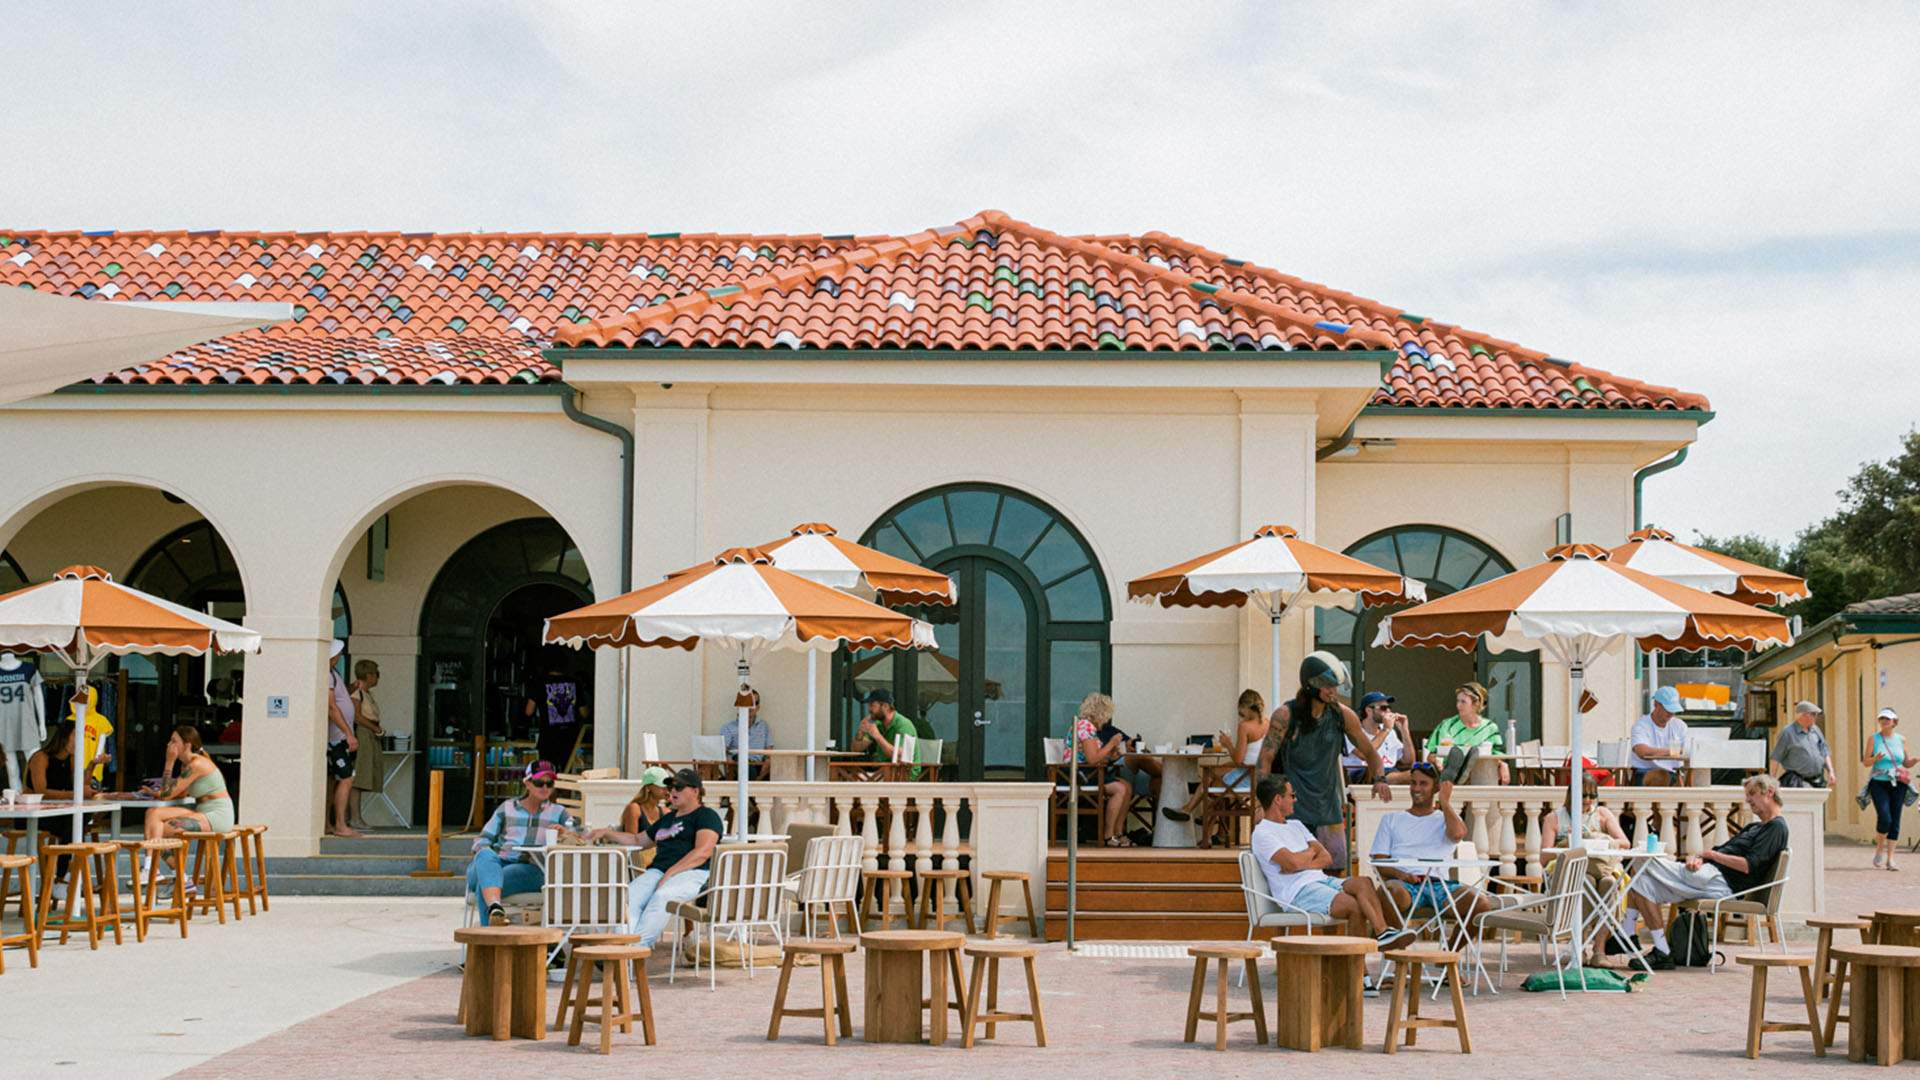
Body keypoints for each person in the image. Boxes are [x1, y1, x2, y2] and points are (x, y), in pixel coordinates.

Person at [1621, 773, 1789, 969]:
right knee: (1641, 883)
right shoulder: (1755, 827)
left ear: (1770, 792)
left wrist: (1712, 856)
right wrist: (1700, 859)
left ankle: (1626, 934)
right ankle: (1661, 950)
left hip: (1723, 883)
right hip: (1709, 875)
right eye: (1747, 795)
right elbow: (1720, 851)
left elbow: (1748, 865)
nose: (1748, 800)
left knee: (1641, 860)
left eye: (1752, 793)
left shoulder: (1776, 827)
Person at [1259, 652, 1391, 872]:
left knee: (1336, 867)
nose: (1334, 692)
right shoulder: (1286, 715)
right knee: (1296, 869)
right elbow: (1265, 759)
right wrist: (1262, 804)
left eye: (1335, 686)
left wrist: (1380, 778)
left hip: (1328, 807)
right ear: (1311, 685)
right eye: (1328, 686)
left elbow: (1370, 753)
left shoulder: (1342, 715)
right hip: (1293, 808)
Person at [1249, 774, 1413, 949]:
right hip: (1297, 891)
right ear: (1278, 799)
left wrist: (1303, 859)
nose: (1295, 800)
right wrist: (1310, 852)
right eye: (1292, 795)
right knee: (1354, 906)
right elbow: (1293, 863)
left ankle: (1382, 932)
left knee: (1363, 882)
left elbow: (1326, 857)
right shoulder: (1263, 833)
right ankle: (1356, 964)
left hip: (1320, 880)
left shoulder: (1296, 825)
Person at [587, 768, 724, 947]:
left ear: (695, 791)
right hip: (658, 871)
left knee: (662, 896)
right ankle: (622, 947)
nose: (672, 791)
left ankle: (635, 950)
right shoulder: (668, 818)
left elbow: (702, 852)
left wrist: (670, 873)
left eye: (679, 787)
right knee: (626, 899)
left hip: (693, 873)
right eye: (671, 787)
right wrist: (607, 833)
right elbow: (638, 840)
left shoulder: (706, 816)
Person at [1369, 763, 1496, 925]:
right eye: (1413, 783)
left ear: (1436, 788)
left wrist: (1445, 802)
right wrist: (1403, 875)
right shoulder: (1391, 819)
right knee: (1389, 892)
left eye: (1423, 783)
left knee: (1481, 904)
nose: (1416, 788)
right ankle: (1399, 940)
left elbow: (1457, 834)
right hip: (1405, 885)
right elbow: (1379, 862)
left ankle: (1452, 943)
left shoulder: (1446, 818)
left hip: (1440, 885)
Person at [467, 759, 580, 926]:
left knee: (486, 883)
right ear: (527, 783)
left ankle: (491, 922)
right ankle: (494, 907)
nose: (545, 788)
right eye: (539, 782)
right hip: (498, 862)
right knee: (485, 855)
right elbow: (482, 839)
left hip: (531, 867)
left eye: (549, 783)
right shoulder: (507, 807)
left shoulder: (559, 812)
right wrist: (489, 863)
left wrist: (565, 833)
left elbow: (579, 841)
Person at [1163, 689, 1270, 833]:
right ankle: (1202, 817)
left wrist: (1227, 744)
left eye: (1241, 712)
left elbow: (1238, 759)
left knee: (1209, 779)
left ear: (1246, 707)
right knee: (1216, 773)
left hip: (1246, 778)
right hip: (1260, 777)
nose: (1241, 716)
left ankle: (1191, 810)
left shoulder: (1245, 727)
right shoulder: (1267, 723)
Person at [141, 725, 234, 884]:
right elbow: (179, 793)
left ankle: (157, 871)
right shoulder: (186, 765)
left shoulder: (196, 765)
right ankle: (168, 874)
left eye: (174, 741)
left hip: (217, 815)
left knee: (156, 830)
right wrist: (156, 793)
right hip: (202, 811)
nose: (169, 745)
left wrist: (169, 762)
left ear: (187, 745)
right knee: (152, 814)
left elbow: (166, 795)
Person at [1065, 692, 1137, 845]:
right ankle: (1108, 835)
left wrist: (1112, 756)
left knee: (1127, 786)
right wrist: (1111, 743)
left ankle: (1118, 832)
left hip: (1090, 772)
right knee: (1120, 789)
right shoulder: (1085, 726)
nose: (1106, 719)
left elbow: (1096, 757)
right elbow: (1092, 759)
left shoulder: (1088, 727)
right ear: (1101, 713)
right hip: (1080, 775)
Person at [1422, 682, 1507, 783]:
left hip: (1481, 776)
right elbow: (1431, 756)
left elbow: (1498, 756)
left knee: (1476, 765)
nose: (1458, 705)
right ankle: (1456, 774)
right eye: (1458, 701)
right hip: (1445, 776)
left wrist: (1503, 765)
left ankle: (1462, 774)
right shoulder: (1447, 725)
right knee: (1454, 764)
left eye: (1463, 702)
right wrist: (1438, 763)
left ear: (1476, 704)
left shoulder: (1490, 728)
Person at [1864, 707, 1916, 870]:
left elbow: (1906, 762)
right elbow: (1865, 762)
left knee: (1895, 819)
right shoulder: (1873, 738)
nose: (1884, 721)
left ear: (1894, 721)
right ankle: (1880, 848)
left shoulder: (1901, 739)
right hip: (1879, 782)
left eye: (1887, 718)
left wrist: (1914, 761)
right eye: (1882, 718)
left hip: (1898, 782)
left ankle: (1891, 859)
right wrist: (1875, 758)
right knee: (1885, 817)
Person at [525, 654, 588, 773]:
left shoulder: (539, 682)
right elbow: (584, 713)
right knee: (568, 775)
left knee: (547, 774)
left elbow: (529, 711)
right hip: (570, 739)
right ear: (565, 666)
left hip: (548, 739)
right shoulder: (575, 683)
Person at [324, 639, 359, 838]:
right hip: (337, 739)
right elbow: (331, 707)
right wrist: (348, 733)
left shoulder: (333, 674)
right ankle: (340, 824)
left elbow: (339, 699)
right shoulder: (328, 675)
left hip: (337, 737)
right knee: (347, 777)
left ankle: (328, 823)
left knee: (332, 780)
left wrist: (351, 688)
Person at [1344, 691, 1414, 784]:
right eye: (1383, 708)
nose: (1388, 711)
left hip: (1389, 772)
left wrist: (1404, 731)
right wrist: (1386, 730)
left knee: (1417, 776)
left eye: (1389, 707)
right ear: (1368, 710)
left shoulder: (1390, 732)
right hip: (1362, 773)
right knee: (1412, 777)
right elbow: (1364, 755)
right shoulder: (1353, 730)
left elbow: (1408, 761)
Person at [850, 688, 922, 779]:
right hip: (884, 772)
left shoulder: (903, 725)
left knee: (856, 783)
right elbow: (856, 749)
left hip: (904, 775)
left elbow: (900, 756)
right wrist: (860, 732)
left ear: (885, 706)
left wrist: (877, 736)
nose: (869, 709)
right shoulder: (878, 724)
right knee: (851, 780)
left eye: (872, 705)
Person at [349, 659, 385, 830]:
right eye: (376, 674)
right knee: (359, 777)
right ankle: (354, 818)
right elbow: (356, 716)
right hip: (364, 734)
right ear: (368, 675)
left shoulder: (368, 694)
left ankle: (357, 817)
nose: (378, 677)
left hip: (371, 734)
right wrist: (374, 728)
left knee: (366, 775)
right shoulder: (358, 694)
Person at [1629, 685, 1690, 785]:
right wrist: (1673, 751)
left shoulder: (1680, 725)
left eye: (1673, 709)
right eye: (1668, 709)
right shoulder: (1640, 725)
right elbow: (1642, 751)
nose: (1671, 713)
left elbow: (1688, 750)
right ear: (1656, 704)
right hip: (1645, 772)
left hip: (1672, 773)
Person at [1773, 700, 1835, 789]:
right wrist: (1772, 781)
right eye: (1813, 714)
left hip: (1818, 780)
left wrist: (1831, 771)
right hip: (1798, 781)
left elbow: (1824, 751)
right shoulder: (1788, 732)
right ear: (1803, 715)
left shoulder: (1815, 730)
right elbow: (1776, 757)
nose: (1815, 717)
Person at [721, 687, 771, 779]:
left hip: (759, 766)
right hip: (737, 766)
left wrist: (767, 762)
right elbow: (722, 751)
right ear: (738, 706)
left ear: (758, 707)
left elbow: (769, 751)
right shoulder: (728, 727)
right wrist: (729, 761)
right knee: (740, 758)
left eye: (754, 703)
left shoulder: (763, 726)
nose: (750, 706)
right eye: (747, 703)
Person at [621, 765, 672, 834]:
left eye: (667, 785)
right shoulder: (634, 809)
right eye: (662, 785)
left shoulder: (666, 812)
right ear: (648, 787)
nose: (666, 789)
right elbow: (630, 839)